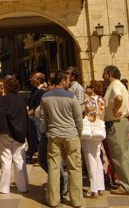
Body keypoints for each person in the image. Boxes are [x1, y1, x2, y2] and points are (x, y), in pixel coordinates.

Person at [39, 70, 83, 208]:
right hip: (71, 135)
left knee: (54, 167)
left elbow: (42, 117)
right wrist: (79, 133)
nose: (69, 82)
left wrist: (47, 130)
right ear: (63, 81)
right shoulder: (71, 96)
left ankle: (53, 200)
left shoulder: (45, 97)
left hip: (54, 135)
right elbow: (78, 118)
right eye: (67, 80)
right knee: (74, 168)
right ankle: (76, 200)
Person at [0, 77, 28, 194]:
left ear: (6, 87)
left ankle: (4, 187)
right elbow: (25, 117)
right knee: (19, 159)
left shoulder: (1, 100)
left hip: (4, 133)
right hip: (18, 134)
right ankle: (22, 187)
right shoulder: (21, 100)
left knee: (5, 160)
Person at [102, 65, 129, 195]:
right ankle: (127, 183)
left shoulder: (115, 85)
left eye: (104, 74)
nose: (102, 76)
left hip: (116, 123)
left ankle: (126, 186)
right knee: (122, 155)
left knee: (119, 155)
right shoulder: (118, 85)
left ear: (109, 74)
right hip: (119, 123)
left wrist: (116, 109)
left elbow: (119, 98)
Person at [81, 81, 106, 198]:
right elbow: (100, 115)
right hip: (99, 131)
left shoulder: (89, 100)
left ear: (93, 89)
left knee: (90, 158)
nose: (86, 88)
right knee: (97, 157)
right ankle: (100, 186)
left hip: (90, 132)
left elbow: (91, 115)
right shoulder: (101, 100)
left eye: (88, 87)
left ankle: (93, 188)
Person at [26, 72, 47, 164]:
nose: (31, 79)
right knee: (32, 138)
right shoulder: (34, 90)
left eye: (33, 77)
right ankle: (30, 155)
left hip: (37, 118)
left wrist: (27, 114)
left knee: (39, 137)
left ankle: (42, 158)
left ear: (39, 80)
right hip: (31, 118)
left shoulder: (42, 91)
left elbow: (37, 106)